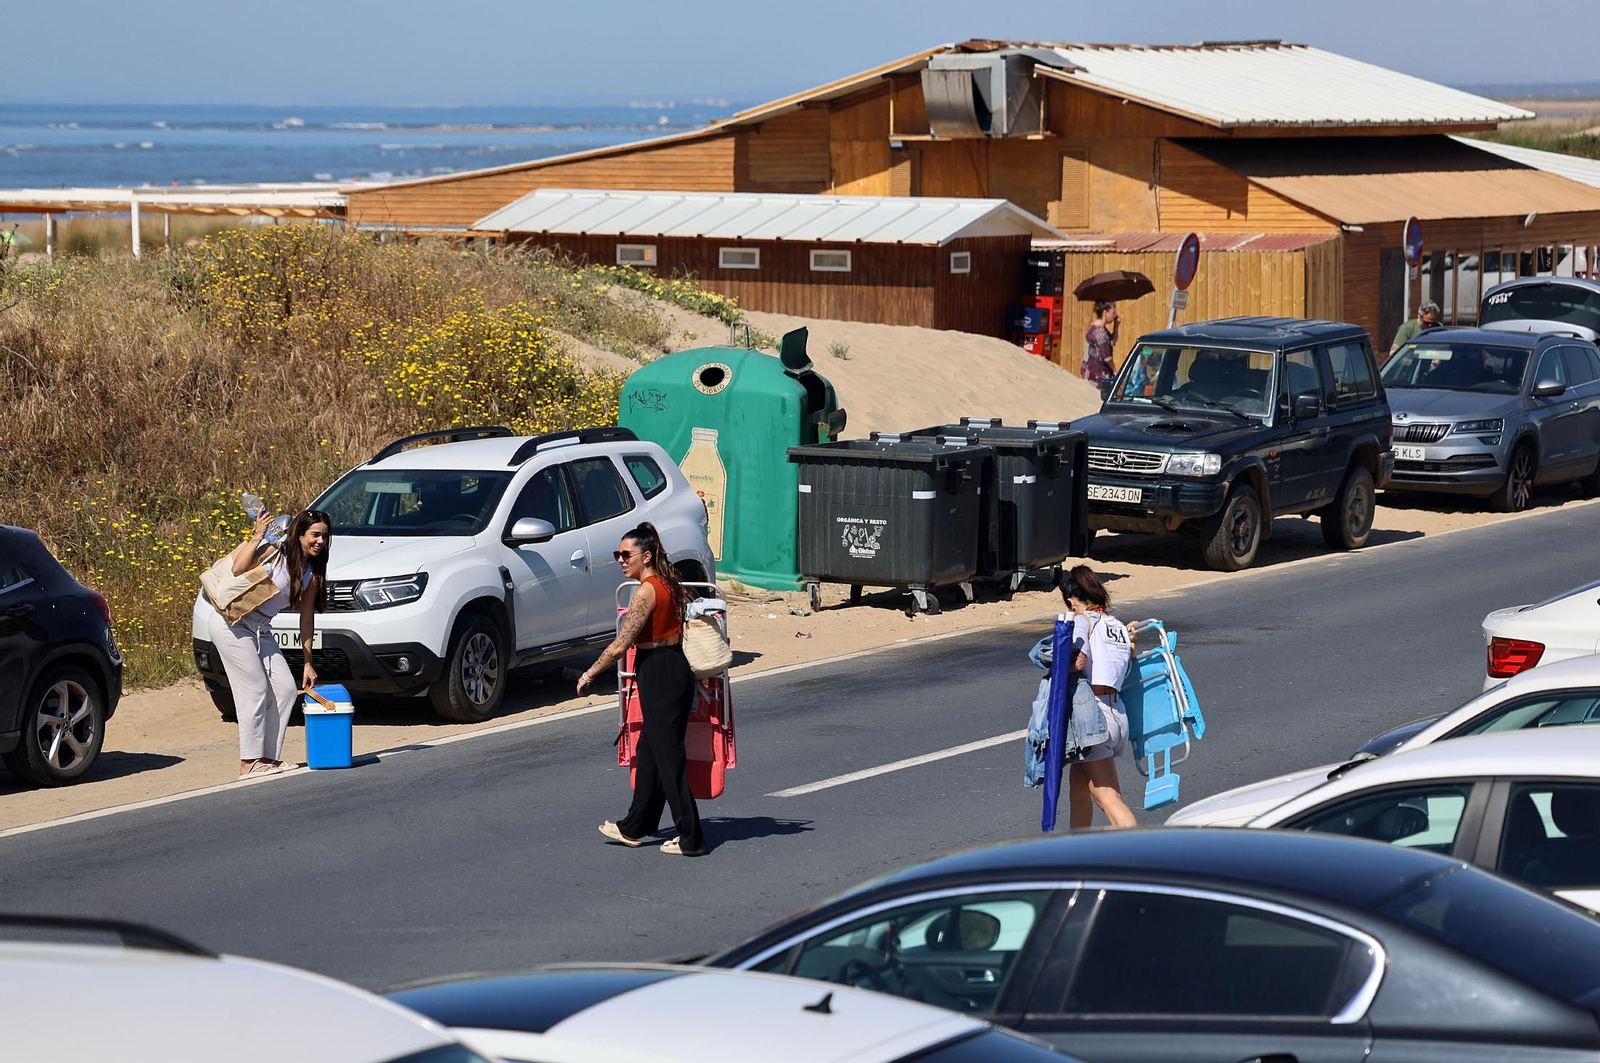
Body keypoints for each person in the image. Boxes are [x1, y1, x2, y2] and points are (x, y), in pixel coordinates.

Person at [580, 522, 703, 857]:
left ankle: (692, 837)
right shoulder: (668, 582)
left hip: (660, 671)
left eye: (626, 554)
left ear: (645, 556)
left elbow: (622, 643)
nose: (621, 560)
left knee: (668, 758)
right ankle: (635, 826)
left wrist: (590, 672)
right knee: (650, 752)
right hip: (672, 667)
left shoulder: (647, 590)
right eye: (617, 554)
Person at [206, 508, 330, 777]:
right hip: (232, 623)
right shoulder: (275, 552)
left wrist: (308, 663)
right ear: (298, 534)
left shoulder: (312, 575)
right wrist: (258, 535)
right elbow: (239, 568)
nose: (319, 541)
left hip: (260, 629)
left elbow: (306, 621)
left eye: (324, 537)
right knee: (255, 688)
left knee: (285, 689)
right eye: (315, 535)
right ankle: (248, 762)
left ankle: (268, 759)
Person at [1062, 566, 1138, 829]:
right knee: (1079, 785)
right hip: (1117, 715)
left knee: (1107, 798)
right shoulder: (1117, 626)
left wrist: (1076, 654)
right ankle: (1077, 852)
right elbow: (1124, 669)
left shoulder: (1082, 620)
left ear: (1072, 601)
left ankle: (1141, 855)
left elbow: (1076, 649)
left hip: (1094, 719)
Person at [1082, 300, 1118, 384]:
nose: (1114, 316)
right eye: (1113, 313)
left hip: (1090, 371)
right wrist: (1115, 371)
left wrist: (1116, 326)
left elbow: (1112, 342)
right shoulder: (1100, 332)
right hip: (1096, 374)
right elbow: (1107, 357)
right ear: (1105, 313)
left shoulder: (1097, 327)